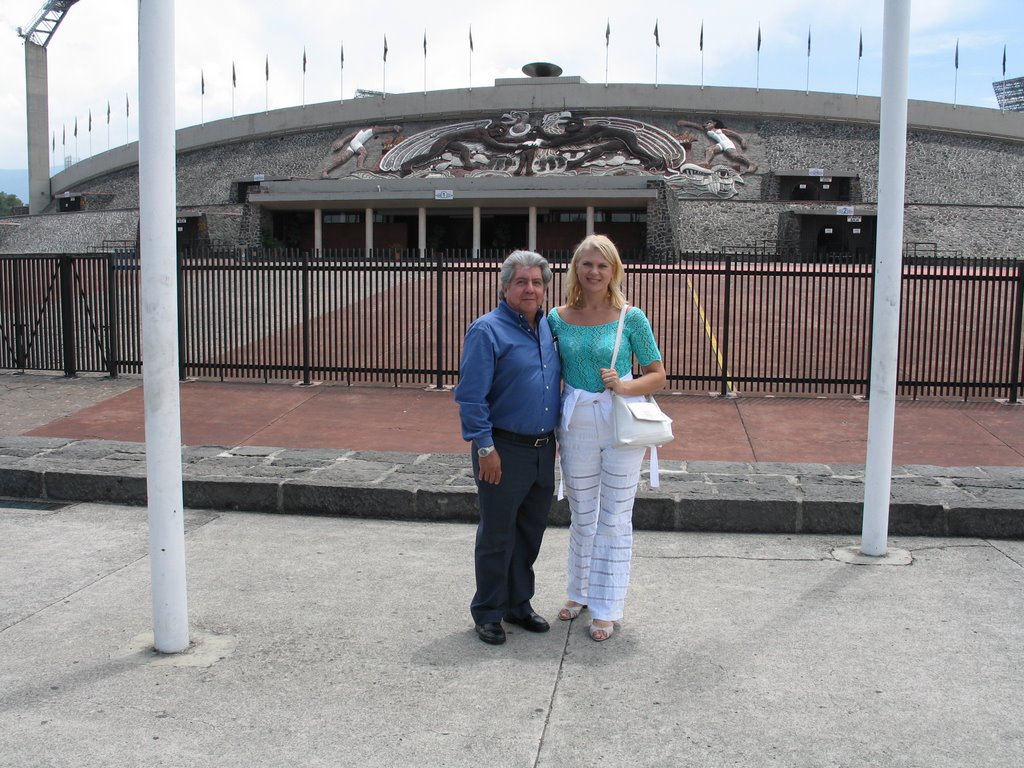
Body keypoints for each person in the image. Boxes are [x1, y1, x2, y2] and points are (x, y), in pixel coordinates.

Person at [547, 234, 666, 642]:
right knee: (582, 513)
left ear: (614, 269)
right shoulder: (556, 318)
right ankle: (579, 590)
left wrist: (625, 386)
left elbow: (657, 373)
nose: (594, 272)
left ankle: (607, 606)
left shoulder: (631, 317)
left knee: (614, 517)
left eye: (602, 265)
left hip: (618, 421)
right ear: (575, 268)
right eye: (587, 264)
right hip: (577, 420)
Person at [454, 250, 562, 646]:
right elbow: (470, 396)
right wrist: (484, 447)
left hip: (541, 449)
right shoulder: (487, 331)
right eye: (522, 282)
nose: (530, 288)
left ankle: (519, 603)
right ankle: (488, 611)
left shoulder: (550, 327)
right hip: (502, 448)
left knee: (530, 532)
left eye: (537, 282)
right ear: (504, 287)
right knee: (497, 534)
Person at [676, 118, 758, 174]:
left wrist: (742, 140)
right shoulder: (707, 131)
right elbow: (695, 126)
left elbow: (734, 134)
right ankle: (706, 162)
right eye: (705, 124)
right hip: (720, 144)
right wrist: (685, 123)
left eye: (708, 123)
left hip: (726, 143)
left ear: (714, 123)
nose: (705, 125)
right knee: (709, 149)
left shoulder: (720, 130)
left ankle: (751, 163)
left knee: (734, 155)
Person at [321, 125, 401, 177]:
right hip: (355, 143)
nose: (377, 128)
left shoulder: (363, 130)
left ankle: (325, 170)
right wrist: (393, 128)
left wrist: (342, 141)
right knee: (363, 152)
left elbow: (350, 137)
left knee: (343, 158)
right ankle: (359, 167)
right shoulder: (370, 130)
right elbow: (382, 129)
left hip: (353, 144)